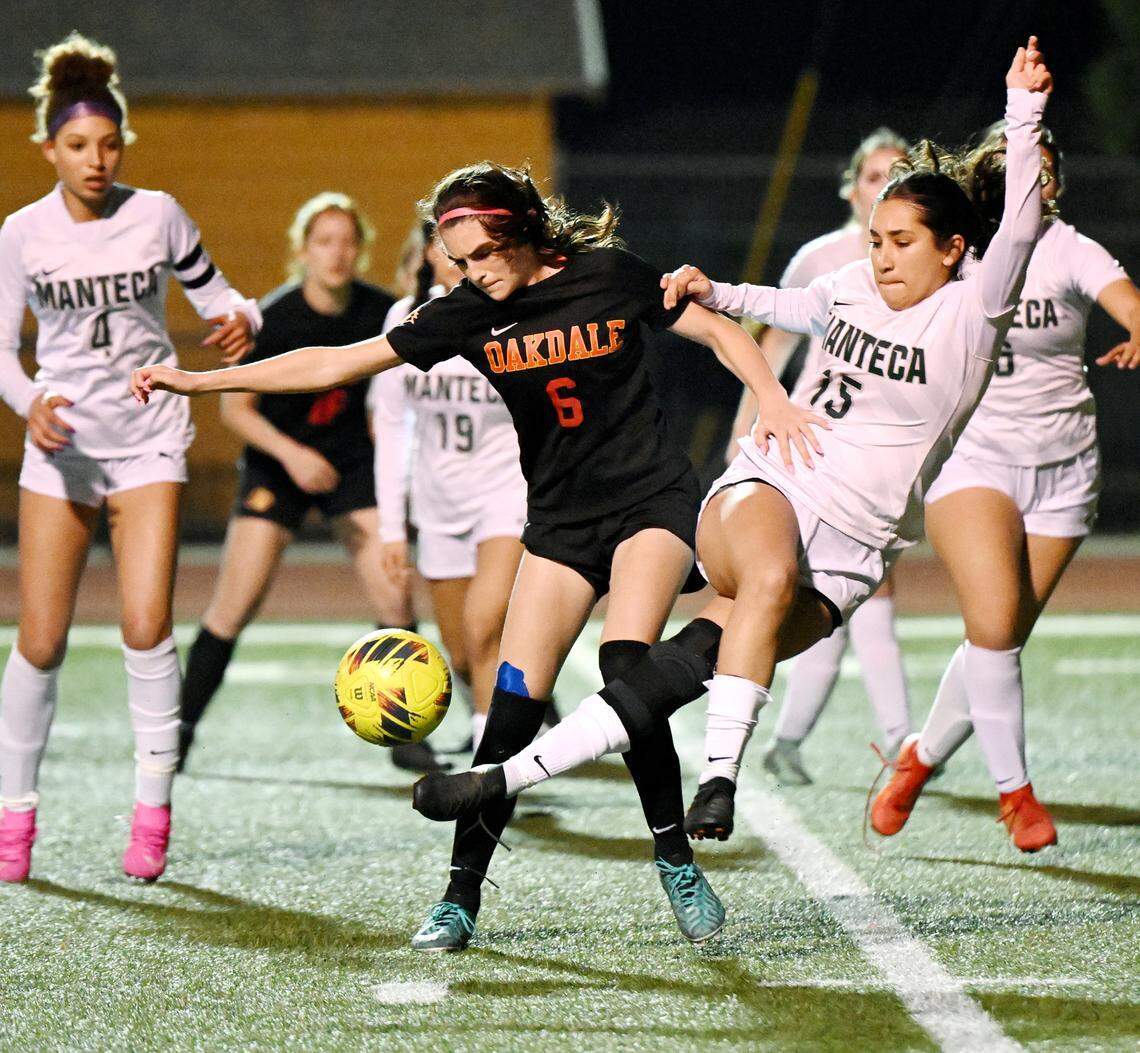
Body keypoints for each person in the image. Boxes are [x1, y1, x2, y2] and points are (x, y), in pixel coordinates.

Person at [131, 162, 820, 949]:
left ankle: (673, 858)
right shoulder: (465, 311)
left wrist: (771, 396)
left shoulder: (609, 274)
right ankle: (460, 897)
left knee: (627, 664)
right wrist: (199, 381)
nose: (470, 273)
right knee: (509, 710)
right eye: (457, 261)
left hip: (650, 504)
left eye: (482, 255)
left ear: (523, 231)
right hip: (561, 523)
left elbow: (721, 331)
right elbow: (335, 361)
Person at [410, 40, 1054, 862]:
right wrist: (717, 293)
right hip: (774, 486)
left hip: (855, 548)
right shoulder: (851, 281)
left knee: (665, 680)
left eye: (899, 240)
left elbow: (1026, 220)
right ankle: (721, 781)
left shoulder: (972, 313)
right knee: (766, 576)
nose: (879, 253)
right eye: (876, 237)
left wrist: (1024, 114)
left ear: (955, 250)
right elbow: (786, 303)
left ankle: (500, 780)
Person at [0, 33, 260, 884]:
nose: (97, 159)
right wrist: (27, 401)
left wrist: (241, 319)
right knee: (39, 641)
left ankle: (152, 809)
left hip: (150, 441)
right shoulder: (22, 233)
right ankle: (14, 819)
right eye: (78, 146)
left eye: (109, 143)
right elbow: (3, 351)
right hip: (65, 453)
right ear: (49, 149)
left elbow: (219, 298)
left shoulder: (159, 213)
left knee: (146, 626)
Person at [870, 120, 1140, 852]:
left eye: (1048, 171)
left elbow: (1126, 298)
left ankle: (918, 757)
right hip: (975, 459)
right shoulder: (962, 250)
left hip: (1064, 468)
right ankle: (1016, 794)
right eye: (1027, 168)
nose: (1039, 183)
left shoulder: (1068, 247)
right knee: (993, 627)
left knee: (999, 637)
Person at [175, 192, 438, 774]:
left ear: (362, 250)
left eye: (348, 241)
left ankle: (405, 733)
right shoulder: (276, 316)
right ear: (302, 250)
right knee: (233, 606)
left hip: (350, 468)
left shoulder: (382, 310)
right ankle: (181, 727)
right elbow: (236, 409)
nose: (337, 253)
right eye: (324, 241)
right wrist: (292, 456)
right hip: (280, 468)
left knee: (394, 595)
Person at [724, 128, 913, 787]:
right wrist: (748, 428)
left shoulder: (933, 266)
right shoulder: (823, 257)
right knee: (820, 597)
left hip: (879, 456)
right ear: (852, 186)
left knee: (855, 599)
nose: (882, 186)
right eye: (873, 175)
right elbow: (772, 347)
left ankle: (851, 740)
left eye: (898, 174)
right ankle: (892, 742)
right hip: (812, 447)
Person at [373, 223, 526, 755]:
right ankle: (515, 728)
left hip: (505, 493)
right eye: (443, 246)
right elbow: (391, 426)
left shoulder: (512, 314)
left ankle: (495, 774)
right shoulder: (407, 319)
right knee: (460, 653)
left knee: (487, 626)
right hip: (438, 503)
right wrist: (392, 529)